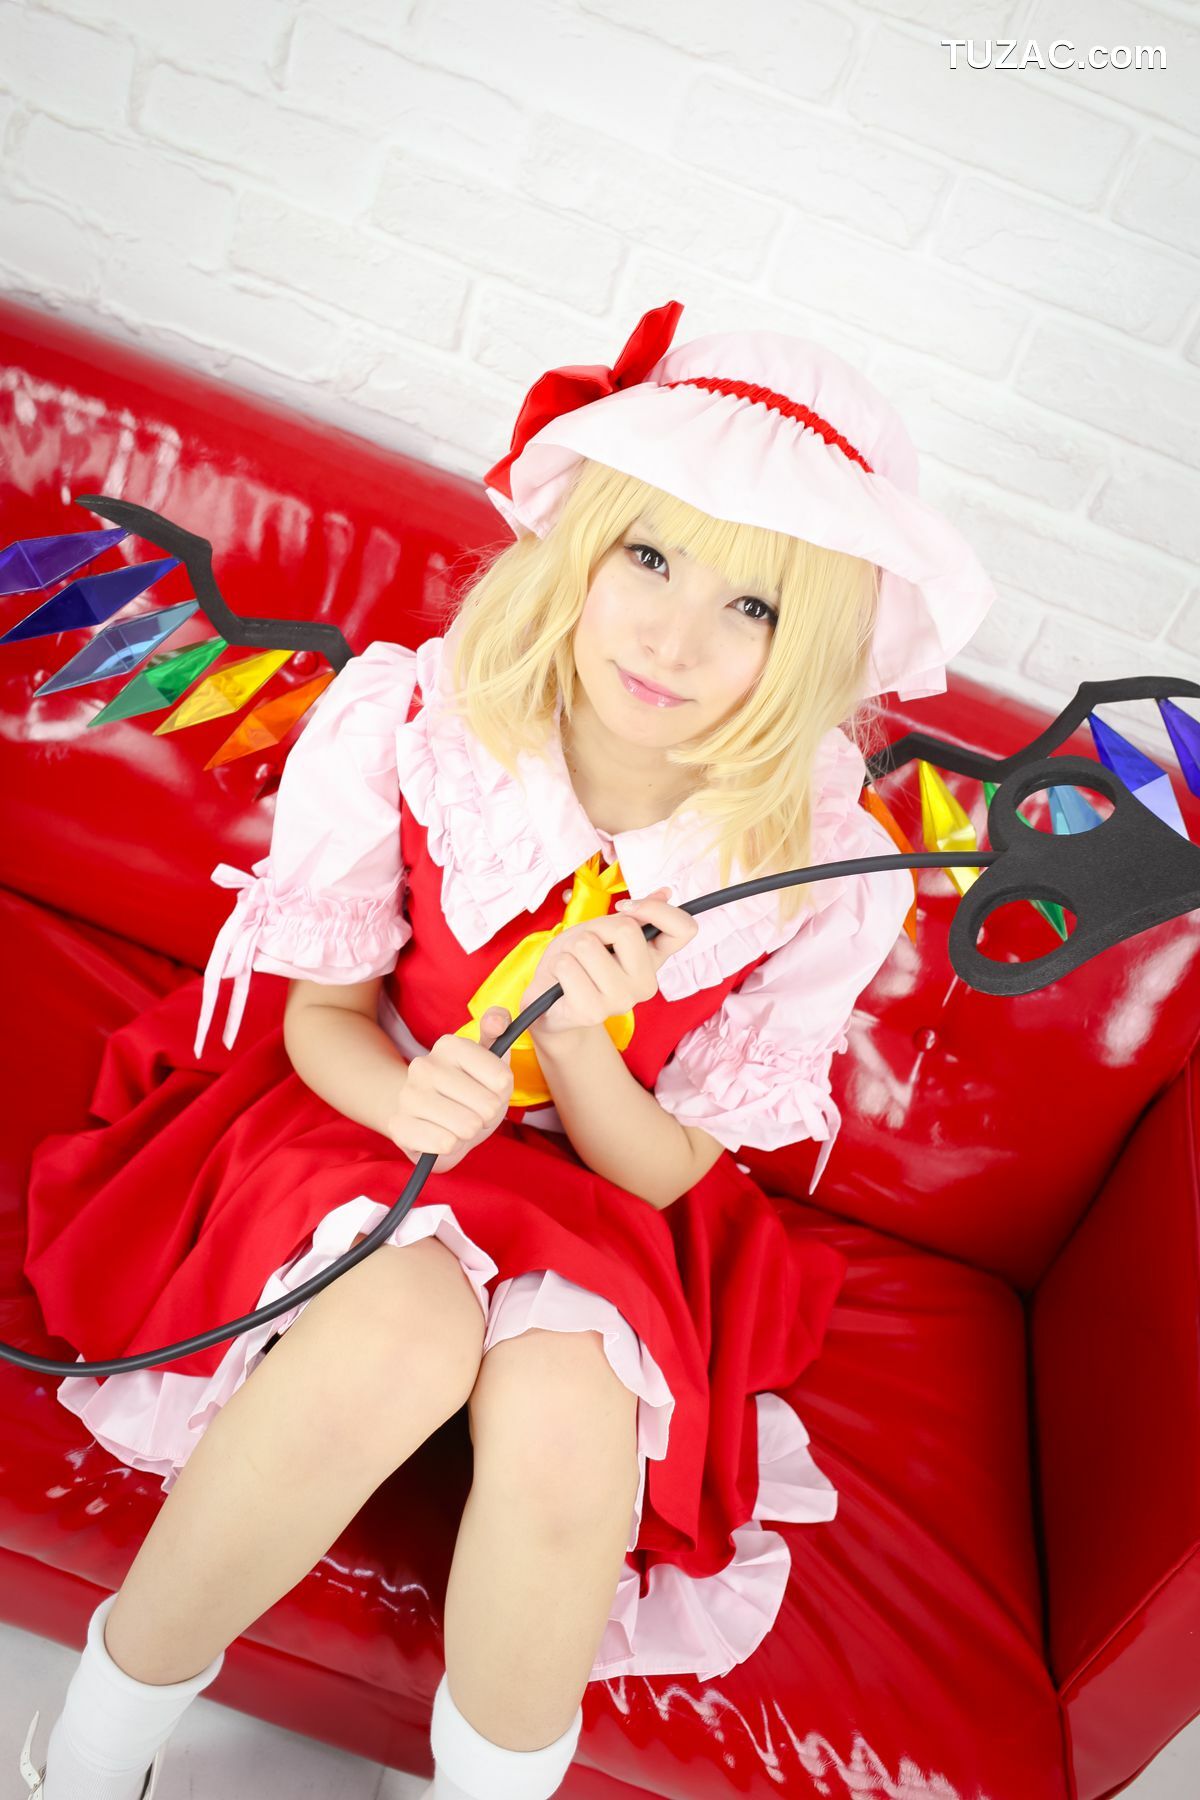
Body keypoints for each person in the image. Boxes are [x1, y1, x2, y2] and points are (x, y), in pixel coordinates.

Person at [17, 300, 996, 1800]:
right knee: (398, 1330)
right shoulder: (420, 722)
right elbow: (322, 1018)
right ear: (581, 544)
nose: (673, 637)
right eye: (649, 558)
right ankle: (92, 1751)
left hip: (606, 1189)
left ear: (812, 649)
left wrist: (591, 1047)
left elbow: (666, 1173)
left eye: (752, 606)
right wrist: (408, 1092)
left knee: (569, 1413)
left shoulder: (818, 867)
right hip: (373, 1114)